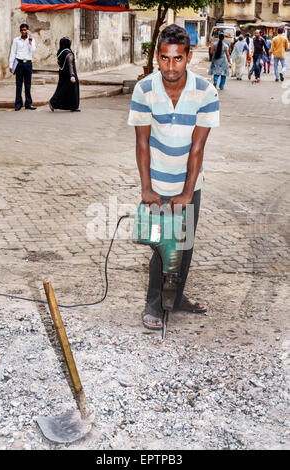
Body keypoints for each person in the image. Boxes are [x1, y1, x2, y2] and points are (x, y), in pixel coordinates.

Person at [128, 24, 219, 330]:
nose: (170, 66)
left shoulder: (206, 91)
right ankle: (153, 305)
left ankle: (176, 298)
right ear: (157, 56)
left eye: (177, 58)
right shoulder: (144, 90)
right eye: (164, 59)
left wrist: (187, 192)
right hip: (156, 183)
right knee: (161, 244)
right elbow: (142, 142)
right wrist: (147, 188)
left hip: (190, 182)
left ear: (188, 56)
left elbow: (198, 146)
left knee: (186, 243)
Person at [9, 23, 36, 111]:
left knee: (28, 84)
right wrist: (11, 65)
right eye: (22, 30)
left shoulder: (31, 39)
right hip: (19, 64)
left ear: (28, 31)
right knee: (19, 84)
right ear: (20, 31)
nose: (24, 31)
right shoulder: (16, 40)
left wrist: (30, 40)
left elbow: (33, 50)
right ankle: (18, 104)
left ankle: (28, 103)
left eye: (25, 30)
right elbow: (13, 52)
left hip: (28, 64)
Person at [49, 37, 80, 112]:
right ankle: (73, 106)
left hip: (62, 74)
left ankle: (54, 102)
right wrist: (72, 76)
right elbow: (70, 65)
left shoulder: (60, 52)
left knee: (61, 89)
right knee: (73, 90)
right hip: (69, 74)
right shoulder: (68, 53)